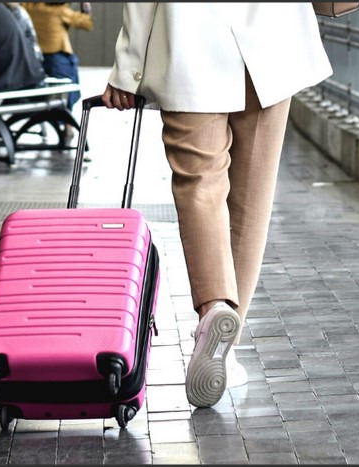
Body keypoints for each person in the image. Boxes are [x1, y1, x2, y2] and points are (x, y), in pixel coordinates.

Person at [102, 3, 333, 408]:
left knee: (200, 186)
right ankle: (229, 344)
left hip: (190, 41)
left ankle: (215, 307)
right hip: (275, 41)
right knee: (252, 200)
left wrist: (129, 68)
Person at [23, 2, 93, 140]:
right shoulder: (61, 11)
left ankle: (62, 124)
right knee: (67, 92)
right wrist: (86, 8)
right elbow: (87, 24)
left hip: (35, 59)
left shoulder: (28, 7)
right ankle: (68, 126)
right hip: (58, 59)